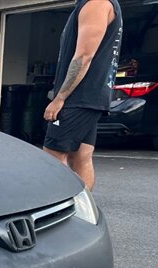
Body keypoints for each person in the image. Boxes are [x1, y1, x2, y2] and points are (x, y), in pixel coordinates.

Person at [43, 0, 123, 190]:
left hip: (78, 97)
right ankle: (84, 215)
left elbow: (83, 56)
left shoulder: (97, 3)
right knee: (80, 158)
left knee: (51, 157)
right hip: (89, 97)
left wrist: (60, 97)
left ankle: (57, 214)